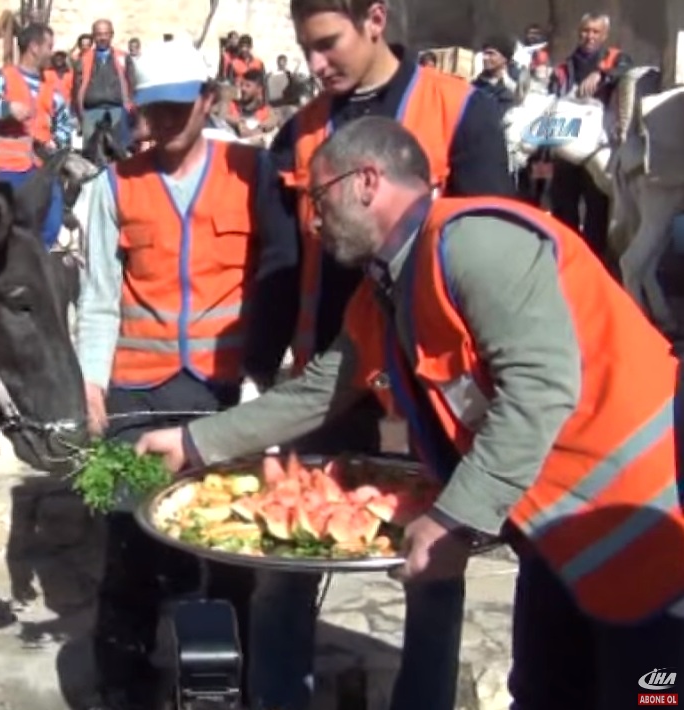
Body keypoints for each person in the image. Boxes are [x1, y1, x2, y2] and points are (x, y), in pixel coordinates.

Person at [137, 115, 684, 710]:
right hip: (558, 536)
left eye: (319, 198)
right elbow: (318, 391)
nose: (313, 220)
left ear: (367, 181)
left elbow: (539, 388)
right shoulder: (387, 290)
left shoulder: (475, 244)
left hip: (649, 528)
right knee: (546, 694)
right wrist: (193, 442)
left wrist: (454, 518)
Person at [243, 0, 516, 707]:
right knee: (282, 557)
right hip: (330, 374)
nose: (315, 65)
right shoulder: (298, 132)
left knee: (433, 565)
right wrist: (257, 368)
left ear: (375, 18)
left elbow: (498, 248)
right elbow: (280, 261)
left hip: (430, 381)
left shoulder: (461, 112)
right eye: (305, 48)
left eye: (328, 43)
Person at [76, 38, 262, 710]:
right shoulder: (112, 186)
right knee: (132, 542)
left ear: (208, 101)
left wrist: (266, 380)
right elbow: (99, 296)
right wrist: (91, 381)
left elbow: (274, 279)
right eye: (151, 111)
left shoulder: (250, 172)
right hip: (139, 390)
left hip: (222, 390)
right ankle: (123, 680)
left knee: (231, 543)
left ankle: (230, 677)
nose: (161, 124)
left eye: (177, 110)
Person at [0, 22, 75, 249]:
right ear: (34, 47)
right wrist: (6, 109)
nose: (51, 53)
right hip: (9, 169)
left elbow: (65, 123)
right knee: (11, 230)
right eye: (48, 46)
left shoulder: (51, 87)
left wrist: (58, 143)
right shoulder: (3, 79)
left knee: (51, 224)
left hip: (43, 168)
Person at [547, 13, 632, 267]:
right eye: (585, 31)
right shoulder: (564, 68)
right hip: (566, 148)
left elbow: (626, 68)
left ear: (604, 35)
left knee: (597, 209)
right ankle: (566, 262)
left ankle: (593, 265)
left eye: (596, 32)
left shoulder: (615, 58)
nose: (589, 36)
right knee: (564, 208)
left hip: (598, 148)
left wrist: (601, 74)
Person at [74, 19, 135, 150]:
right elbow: (76, 88)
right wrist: (80, 114)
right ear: (93, 36)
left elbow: (132, 83)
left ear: (112, 35)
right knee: (92, 153)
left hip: (118, 111)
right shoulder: (84, 60)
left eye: (106, 34)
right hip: (91, 112)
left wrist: (131, 108)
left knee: (120, 151)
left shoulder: (123, 57)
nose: (102, 38)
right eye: (98, 34)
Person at [220, 68, 281, 142]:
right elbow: (222, 115)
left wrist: (260, 128)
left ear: (259, 89)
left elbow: (274, 119)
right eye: (242, 85)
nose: (243, 89)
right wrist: (239, 122)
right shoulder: (231, 105)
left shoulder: (265, 110)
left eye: (248, 86)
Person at [472, 35, 519, 119]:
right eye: (484, 53)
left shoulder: (514, 87)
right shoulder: (475, 85)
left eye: (491, 53)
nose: (485, 58)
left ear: (504, 58)